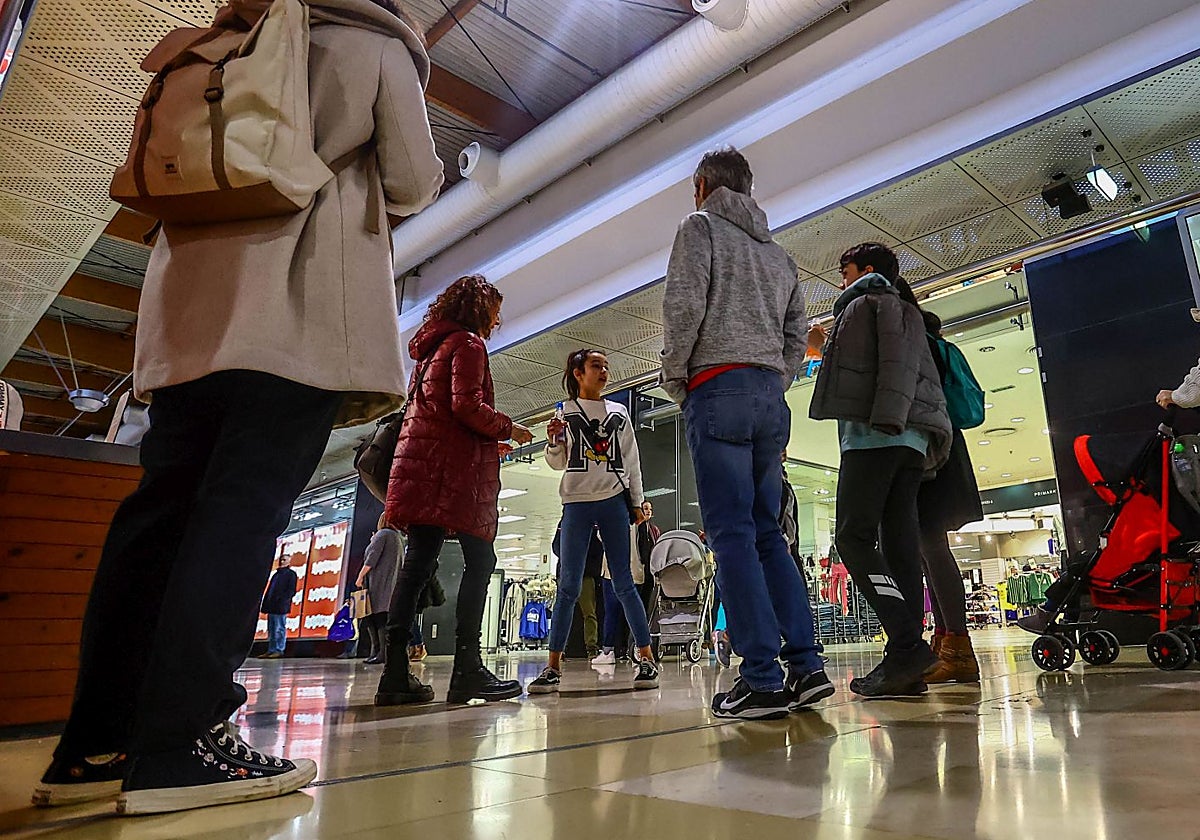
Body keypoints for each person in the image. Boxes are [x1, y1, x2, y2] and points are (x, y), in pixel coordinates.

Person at [31, 0, 444, 815]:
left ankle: (96, 742)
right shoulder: (372, 48)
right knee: (240, 513)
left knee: (158, 515)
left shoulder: (220, 41)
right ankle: (180, 741)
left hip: (188, 317)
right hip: (292, 314)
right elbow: (412, 179)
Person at [660, 147, 832, 720]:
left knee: (730, 534)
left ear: (703, 186)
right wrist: (776, 379)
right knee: (768, 536)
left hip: (717, 388)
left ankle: (760, 677)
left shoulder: (699, 228)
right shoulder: (779, 255)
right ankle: (807, 668)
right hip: (768, 398)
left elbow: (683, 306)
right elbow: (796, 334)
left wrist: (678, 378)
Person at [376, 274, 533, 707]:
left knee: (418, 565)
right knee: (481, 559)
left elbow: (441, 415)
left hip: (422, 469)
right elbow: (466, 405)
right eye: (495, 311)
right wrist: (509, 428)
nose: (497, 320)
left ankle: (393, 672)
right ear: (479, 308)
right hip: (452, 477)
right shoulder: (467, 344)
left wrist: (487, 441)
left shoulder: (429, 352)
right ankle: (468, 669)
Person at [808, 242, 951, 698]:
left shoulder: (869, 303)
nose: (840, 279)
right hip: (909, 441)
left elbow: (885, 368)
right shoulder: (906, 309)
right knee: (900, 544)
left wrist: (821, 346)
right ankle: (903, 661)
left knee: (852, 537)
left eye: (843, 269)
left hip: (877, 434)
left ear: (867, 270)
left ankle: (907, 644)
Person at [528, 350, 660, 693]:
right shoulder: (565, 412)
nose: (603, 371)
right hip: (576, 503)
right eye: (596, 366)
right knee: (568, 585)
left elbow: (632, 460)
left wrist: (636, 502)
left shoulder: (619, 412)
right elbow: (558, 463)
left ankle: (646, 658)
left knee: (624, 582)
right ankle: (552, 666)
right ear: (577, 373)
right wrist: (554, 439)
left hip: (614, 500)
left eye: (605, 366)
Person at [918, 311, 983, 683]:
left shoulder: (924, 349)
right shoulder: (942, 349)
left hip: (933, 454)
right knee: (928, 547)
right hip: (947, 449)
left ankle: (957, 645)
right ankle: (945, 639)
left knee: (931, 545)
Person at [552, 521, 604, 659]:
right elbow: (556, 547)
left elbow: (597, 549)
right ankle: (559, 648)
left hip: (585, 573)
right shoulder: (564, 523)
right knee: (564, 611)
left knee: (589, 612)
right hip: (566, 572)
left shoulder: (593, 525)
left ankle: (591, 646)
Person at [357, 516, 402, 665]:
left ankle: (378, 652)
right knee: (383, 619)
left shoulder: (382, 535)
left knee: (374, 618)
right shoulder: (397, 537)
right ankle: (381, 652)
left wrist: (360, 577)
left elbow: (371, 559)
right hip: (391, 584)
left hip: (378, 584)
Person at [258, 558, 298, 660]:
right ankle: (271, 649)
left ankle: (279, 649)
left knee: (279, 628)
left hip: (280, 606)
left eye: (284, 560)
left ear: (289, 562)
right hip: (272, 606)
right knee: (272, 629)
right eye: (281, 559)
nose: (282, 561)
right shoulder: (276, 575)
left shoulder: (290, 574)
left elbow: (291, 591)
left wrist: (281, 599)